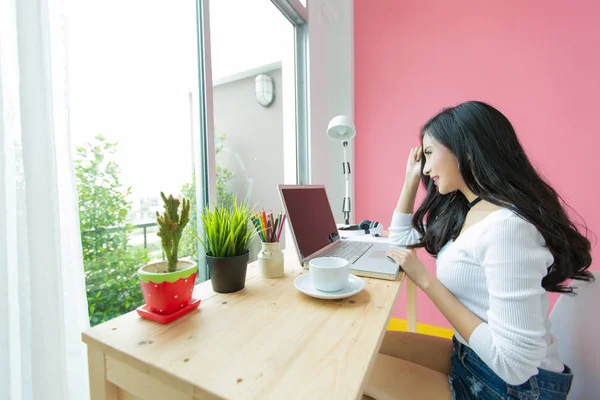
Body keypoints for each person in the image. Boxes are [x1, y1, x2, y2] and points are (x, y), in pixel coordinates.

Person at [364, 101, 594, 400]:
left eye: (430, 153)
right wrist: (410, 179)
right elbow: (400, 240)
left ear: (466, 150)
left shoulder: (509, 229)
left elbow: (514, 365)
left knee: (352, 370)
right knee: (365, 349)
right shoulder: (468, 208)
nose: (427, 167)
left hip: (515, 387)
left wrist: (426, 282)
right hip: (471, 356)